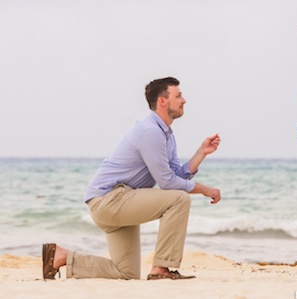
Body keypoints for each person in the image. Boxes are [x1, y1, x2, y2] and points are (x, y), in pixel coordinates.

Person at [42, 77, 222, 280]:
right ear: (162, 101)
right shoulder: (150, 131)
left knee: (126, 274)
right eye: (178, 95)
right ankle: (161, 269)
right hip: (110, 200)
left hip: (118, 202)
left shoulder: (166, 135)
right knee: (180, 200)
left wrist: (201, 153)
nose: (184, 100)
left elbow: (174, 177)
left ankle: (61, 256)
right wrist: (205, 189)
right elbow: (168, 184)